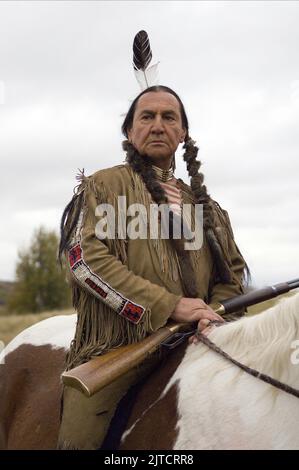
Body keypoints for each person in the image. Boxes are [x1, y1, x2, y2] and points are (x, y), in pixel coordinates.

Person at [57, 85, 249, 449]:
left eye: (168, 117)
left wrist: (214, 316)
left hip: (202, 342)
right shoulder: (102, 186)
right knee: (80, 434)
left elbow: (232, 276)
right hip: (116, 349)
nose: (158, 125)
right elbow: (84, 261)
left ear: (182, 134)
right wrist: (170, 306)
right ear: (130, 132)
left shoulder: (209, 209)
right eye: (147, 117)